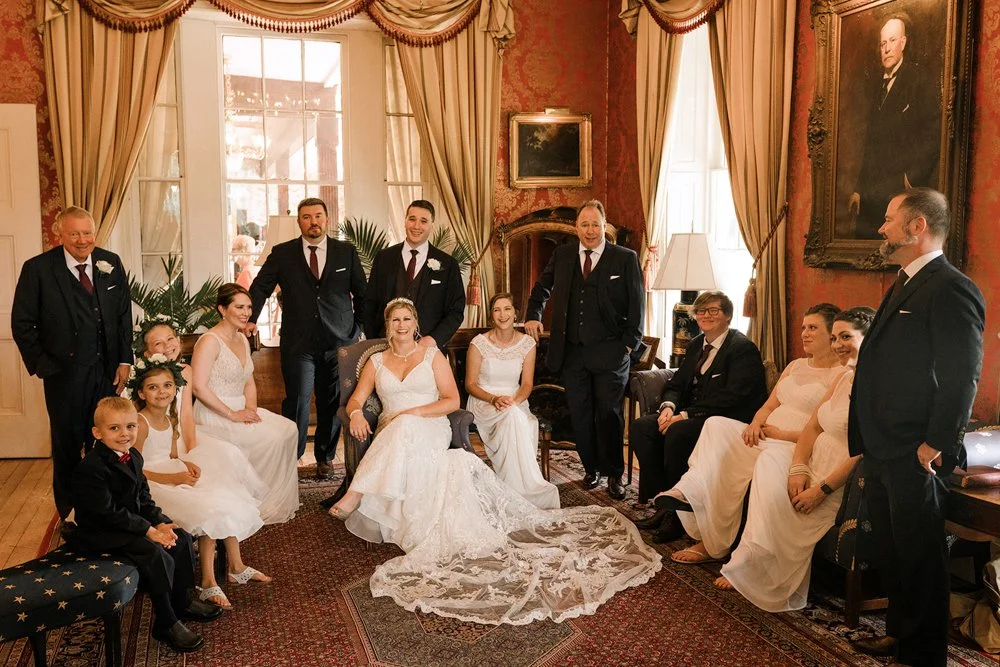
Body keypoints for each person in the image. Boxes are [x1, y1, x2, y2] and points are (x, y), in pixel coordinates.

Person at [327, 299, 662, 625]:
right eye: (395, 320)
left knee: (404, 426)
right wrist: (355, 413)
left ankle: (357, 492)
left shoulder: (432, 355)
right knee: (399, 430)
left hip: (429, 424)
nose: (401, 325)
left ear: (415, 324)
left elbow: (452, 400)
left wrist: (411, 413)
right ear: (388, 325)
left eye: (406, 319)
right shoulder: (376, 361)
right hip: (393, 430)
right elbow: (356, 399)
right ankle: (373, 497)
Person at [849, 188, 984, 667]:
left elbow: (961, 376)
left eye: (889, 219)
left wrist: (935, 442)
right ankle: (899, 635)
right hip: (882, 446)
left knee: (920, 556)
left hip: (916, 449)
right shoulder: (906, 280)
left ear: (916, 226)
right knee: (892, 550)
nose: (881, 228)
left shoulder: (951, 288)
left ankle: (923, 655)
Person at [707, 307, 873, 611]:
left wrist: (820, 490)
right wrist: (798, 468)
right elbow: (813, 427)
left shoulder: (878, 389)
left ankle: (751, 563)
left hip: (835, 482)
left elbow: (863, 453)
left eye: (846, 337)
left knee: (774, 486)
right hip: (809, 464)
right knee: (769, 471)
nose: (838, 345)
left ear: (870, 338)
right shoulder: (844, 379)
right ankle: (729, 544)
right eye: (834, 338)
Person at [645, 302, 846, 547]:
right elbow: (769, 406)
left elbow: (823, 429)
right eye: (803, 327)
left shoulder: (841, 375)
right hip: (762, 433)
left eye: (812, 328)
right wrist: (755, 424)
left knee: (714, 447)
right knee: (715, 425)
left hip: (791, 444)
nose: (804, 333)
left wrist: (781, 434)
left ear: (832, 333)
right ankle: (689, 490)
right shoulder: (795, 366)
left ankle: (715, 539)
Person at [62, 397, 222, 653]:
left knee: (180, 537)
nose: (124, 434)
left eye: (130, 426)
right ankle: (166, 621)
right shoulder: (91, 467)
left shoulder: (134, 456)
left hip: (127, 522)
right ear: (98, 433)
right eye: (114, 428)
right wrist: (149, 531)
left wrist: (161, 522)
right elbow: (109, 513)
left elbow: (144, 499)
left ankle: (183, 601)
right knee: (154, 553)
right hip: (100, 531)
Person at [11, 206, 133, 519]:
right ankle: (69, 514)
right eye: (75, 233)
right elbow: (22, 323)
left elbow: (123, 316)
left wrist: (124, 359)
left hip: (106, 371)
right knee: (67, 445)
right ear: (60, 234)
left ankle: (108, 510)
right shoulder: (38, 269)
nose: (82, 240)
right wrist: (43, 365)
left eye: (87, 232)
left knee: (107, 441)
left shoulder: (110, 262)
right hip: (63, 376)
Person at [523, 200, 645, 501]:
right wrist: (533, 315)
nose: (590, 230)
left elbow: (637, 304)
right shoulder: (563, 254)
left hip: (611, 352)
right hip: (572, 352)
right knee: (580, 414)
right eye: (584, 224)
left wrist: (628, 345)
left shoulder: (625, 258)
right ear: (576, 227)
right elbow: (542, 288)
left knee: (609, 414)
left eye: (595, 225)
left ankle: (614, 474)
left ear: (604, 227)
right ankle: (591, 469)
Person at [129, 356, 270, 611]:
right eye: (153, 387)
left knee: (224, 492)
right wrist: (174, 478)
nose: (162, 392)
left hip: (172, 472)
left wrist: (185, 464)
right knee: (206, 508)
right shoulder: (141, 423)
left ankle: (236, 566)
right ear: (141, 393)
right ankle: (207, 582)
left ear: (175, 388)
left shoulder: (170, 418)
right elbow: (133, 472)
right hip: (151, 484)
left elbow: (172, 455)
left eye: (167, 386)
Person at [629, 291, 768, 541]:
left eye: (713, 310)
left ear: (727, 316)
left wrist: (684, 415)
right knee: (642, 427)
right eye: (701, 311)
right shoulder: (696, 344)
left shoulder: (742, 349)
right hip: (691, 413)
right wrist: (669, 407)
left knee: (678, 432)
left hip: (725, 419)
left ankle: (679, 516)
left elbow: (733, 397)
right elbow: (677, 383)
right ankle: (664, 502)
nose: (706, 315)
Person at [247, 197, 367, 479]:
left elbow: (363, 293)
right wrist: (250, 319)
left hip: (338, 342)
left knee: (331, 402)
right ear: (299, 221)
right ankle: (293, 457)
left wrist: (358, 328)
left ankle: (325, 458)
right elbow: (260, 287)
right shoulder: (282, 253)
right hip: (298, 342)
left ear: (326, 219)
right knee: (298, 401)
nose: (313, 222)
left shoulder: (346, 252)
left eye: (318, 216)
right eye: (306, 217)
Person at [191, 283, 300, 524]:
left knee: (289, 429)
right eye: (239, 307)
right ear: (222, 309)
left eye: (249, 307)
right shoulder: (209, 341)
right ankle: (254, 500)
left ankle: (269, 497)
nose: (246, 313)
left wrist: (250, 409)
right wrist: (233, 414)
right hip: (215, 412)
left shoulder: (241, 338)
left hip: (242, 407)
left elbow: (248, 380)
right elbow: (198, 387)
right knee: (271, 438)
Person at [848, 14, 940, 239]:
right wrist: (859, 189)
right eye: (883, 43)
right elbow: (870, 143)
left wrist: (910, 179)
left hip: (899, 192)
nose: (887, 49)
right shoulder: (876, 86)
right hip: (870, 195)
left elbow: (933, 133)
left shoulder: (918, 79)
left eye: (892, 41)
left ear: (903, 42)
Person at [465, 293, 559, 509]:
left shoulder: (527, 344)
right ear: (491, 315)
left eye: (507, 309)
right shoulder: (478, 343)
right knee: (513, 418)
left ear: (515, 313)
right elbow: (470, 384)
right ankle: (518, 491)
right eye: (497, 310)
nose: (502, 314)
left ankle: (514, 491)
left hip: (515, 400)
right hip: (484, 401)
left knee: (514, 417)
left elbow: (526, 384)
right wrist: (494, 398)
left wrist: (513, 402)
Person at [362, 199, 465, 349]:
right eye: (412, 219)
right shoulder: (383, 258)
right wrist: (375, 341)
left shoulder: (448, 264)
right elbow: (369, 304)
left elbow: (456, 311)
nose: (416, 226)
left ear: (432, 225)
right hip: (386, 347)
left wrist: (433, 339)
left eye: (423, 221)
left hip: (427, 349)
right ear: (404, 222)